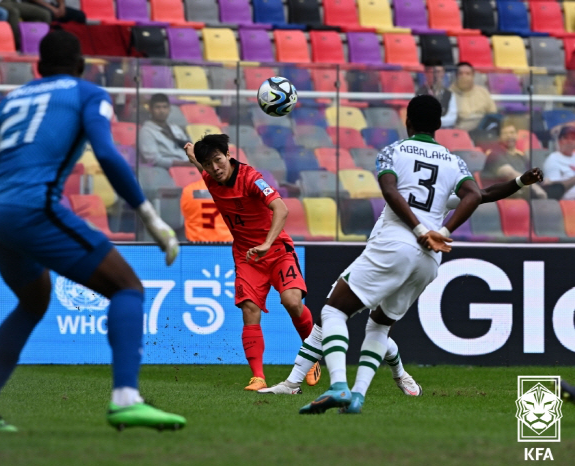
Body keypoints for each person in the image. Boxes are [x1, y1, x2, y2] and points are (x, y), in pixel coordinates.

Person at [0, 30, 185, 432]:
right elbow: (106, 153)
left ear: (38, 67)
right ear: (81, 65)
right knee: (127, 288)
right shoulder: (88, 93)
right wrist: (150, 218)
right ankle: (125, 399)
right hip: (30, 208)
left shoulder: (12, 100)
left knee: (33, 302)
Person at [261, 166, 545, 396]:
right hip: (395, 260)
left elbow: (482, 194)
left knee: (336, 317)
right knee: (373, 327)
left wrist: (519, 181)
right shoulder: (411, 191)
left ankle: (295, 383)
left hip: (394, 260)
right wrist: (520, 181)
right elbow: (481, 194)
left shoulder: (423, 194)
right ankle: (399, 376)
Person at [298, 95, 488, 415]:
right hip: (430, 259)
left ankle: (339, 386)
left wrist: (417, 229)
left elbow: (389, 190)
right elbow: (475, 195)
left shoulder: (394, 150)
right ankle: (357, 396)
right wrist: (442, 231)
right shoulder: (453, 161)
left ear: (407, 122)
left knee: (333, 312)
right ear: (439, 125)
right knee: (379, 327)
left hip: (397, 244)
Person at [184, 134, 319, 391]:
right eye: (209, 164)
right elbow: (201, 165)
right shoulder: (210, 176)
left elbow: (282, 209)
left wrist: (267, 243)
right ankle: (258, 377)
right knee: (249, 310)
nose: (215, 168)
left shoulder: (251, 179)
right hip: (247, 257)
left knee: (292, 302)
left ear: (228, 156)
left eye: (218, 160)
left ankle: (311, 357)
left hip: (277, 250)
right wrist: (193, 155)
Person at [139, 94, 192, 168]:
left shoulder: (175, 128)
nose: (162, 111)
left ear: (169, 109)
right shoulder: (146, 131)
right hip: (166, 171)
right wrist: (182, 164)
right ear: (150, 109)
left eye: (165, 107)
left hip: (188, 166)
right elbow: (153, 159)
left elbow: (188, 147)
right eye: (157, 107)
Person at [180, 178, 233, 242]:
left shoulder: (189, 191)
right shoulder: (233, 192)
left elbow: (185, 215)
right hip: (226, 246)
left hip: (195, 246)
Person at [449, 62, 497, 132]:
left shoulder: (483, 92)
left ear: (473, 76)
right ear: (456, 75)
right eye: (461, 73)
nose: (464, 77)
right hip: (459, 133)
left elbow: (493, 113)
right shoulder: (449, 94)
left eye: (468, 74)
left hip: (483, 132)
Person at [417, 59, 457, 129]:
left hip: (444, 131)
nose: (435, 75)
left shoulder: (449, 94)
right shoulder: (419, 94)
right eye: (432, 72)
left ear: (443, 73)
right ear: (426, 73)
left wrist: (433, 122)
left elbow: (452, 118)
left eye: (438, 72)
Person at [543, 125, 575, 200]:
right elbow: (555, 191)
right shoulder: (553, 159)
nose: (569, 141)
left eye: (573, 138)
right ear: (559, 141)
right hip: (566, 204)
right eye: (566, 138)